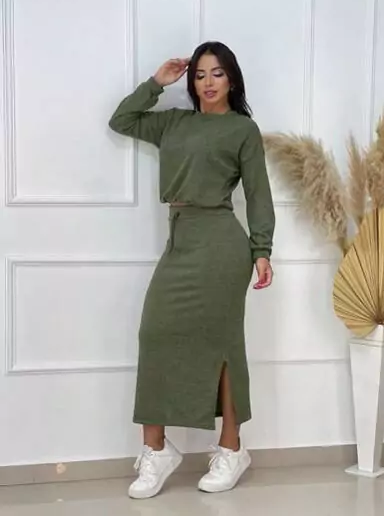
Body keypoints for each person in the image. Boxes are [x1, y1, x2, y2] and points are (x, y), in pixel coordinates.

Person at [108, 41, 275, 499]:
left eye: (217, 73)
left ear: (232, 79)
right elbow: (122, 120)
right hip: (180, 239)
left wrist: (262, 249)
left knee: (223, 344)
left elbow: (258, 193)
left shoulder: (242, 130)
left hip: (222, 244)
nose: (208, 82)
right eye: (199, 75)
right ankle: (157, 450)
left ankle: (232, 448)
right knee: (155, 332)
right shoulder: (174, 123)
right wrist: (156, 83)